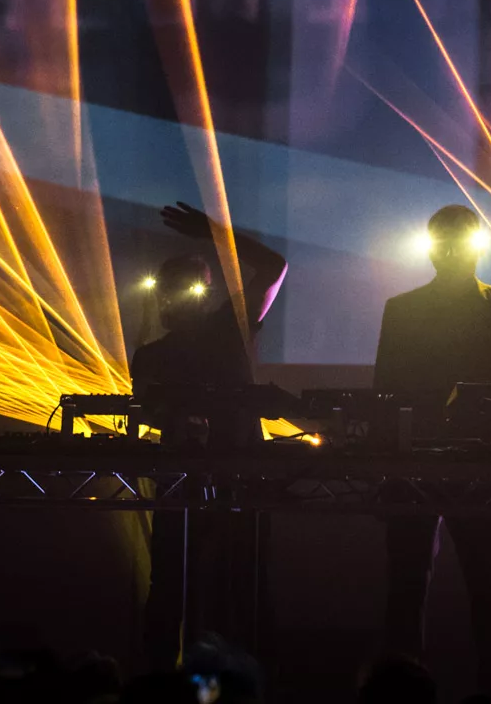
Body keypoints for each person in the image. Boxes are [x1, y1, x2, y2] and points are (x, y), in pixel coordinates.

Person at [373, 204, 491, 699]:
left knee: (461, 582)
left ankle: (409, 690)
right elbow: (385, 394)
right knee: (443, 582)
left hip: (464, 462)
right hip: (438, 462)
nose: (447, 251)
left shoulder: (415, 308)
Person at [133, 201, 288, 673]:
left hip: (228, 480)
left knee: (208, 585)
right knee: (192, 586)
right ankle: (201, 681)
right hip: (205, 481)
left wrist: (215, 233)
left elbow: (275, 267)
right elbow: (151, 412)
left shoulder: (223, 331)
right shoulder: (162, 352)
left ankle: (180, 680)